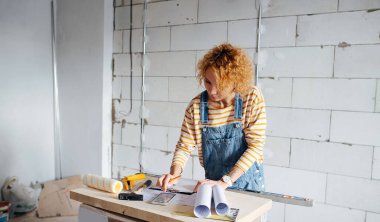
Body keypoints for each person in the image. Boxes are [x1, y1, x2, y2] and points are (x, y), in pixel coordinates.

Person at [157, 43, 266, 193]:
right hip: (213, 186)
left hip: (247, 185)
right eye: (208, 82)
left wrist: (225, 181)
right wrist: (174, 174)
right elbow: (184, 147)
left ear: (235, 81)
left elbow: (255, 147)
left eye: (220, 85)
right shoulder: (196, 107)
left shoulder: (251, 98)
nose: (212, 91)